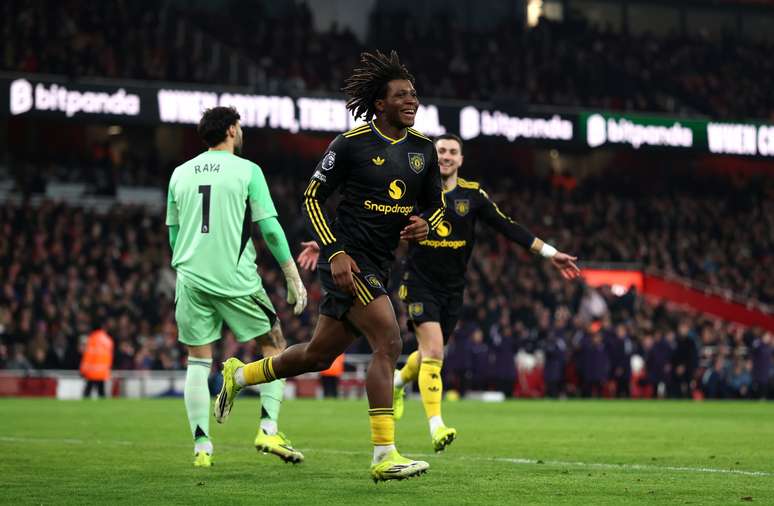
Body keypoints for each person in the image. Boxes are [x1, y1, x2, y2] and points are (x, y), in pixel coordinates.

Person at [216, 50, 445, 482]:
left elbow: (435, 206)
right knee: (390, 343)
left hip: (380, 263)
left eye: (414, 94)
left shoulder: (423, 151)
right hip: (349, 262)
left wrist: (424, 225)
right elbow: (311, 197)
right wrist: (335, 252)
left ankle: (240, 375)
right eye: (401, 95)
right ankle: (384, 454)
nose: (411, 101)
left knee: (318, 356)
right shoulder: (351, 144)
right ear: (380, 103)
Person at [298, 133, 580, 451]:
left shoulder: (473, 196)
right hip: (418, 284)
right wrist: (328, 242)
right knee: (433, 353)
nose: (445, 156)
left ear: (461, 160)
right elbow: (373, 220)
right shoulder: (415, 190)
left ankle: (401, 381)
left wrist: (550, 253)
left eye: (452, 152)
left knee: (432, 354)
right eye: (440, 150)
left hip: (453, 290)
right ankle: (436, 426)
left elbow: (507, 226)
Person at [166, 106, 308, 468]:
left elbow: (173, 233)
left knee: (197, 361)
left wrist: (192, 264)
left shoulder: (179, 174)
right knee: (274, 346)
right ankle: (267, 427)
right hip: (234, 278)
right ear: (231, 130)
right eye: (239, 127)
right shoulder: (248, 171)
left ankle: (201, 447)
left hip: (190, 277)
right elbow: (271, 229)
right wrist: (292, 274)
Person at [80, 326, 114, 398]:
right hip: (103, 371)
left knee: (87, 391)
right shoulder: (108, 340)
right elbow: (110, 357)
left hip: (92, 371)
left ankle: (84, 406)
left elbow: (88, 356)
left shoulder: (92, 339)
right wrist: (108, 370)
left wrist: (83, 370)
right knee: (101, 391)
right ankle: (103, 407)